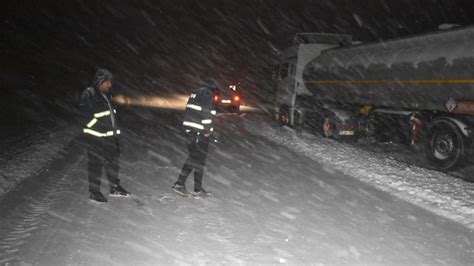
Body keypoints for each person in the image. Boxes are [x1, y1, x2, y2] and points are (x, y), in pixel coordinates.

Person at [79, 68, 130, 203]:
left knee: (113, 163)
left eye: (110, 82)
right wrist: (99, 126)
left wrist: (114, 133)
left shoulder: (106, 95)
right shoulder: (89, 94)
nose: (110, 85)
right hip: (95, 137)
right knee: (95, 165)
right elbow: (85, 117)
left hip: (110, 137)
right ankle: (94, 192)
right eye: (107, 82)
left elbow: (111, 116)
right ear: (99, 81)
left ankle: (114, 188)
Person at [172, 78, 218, 198]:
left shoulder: (196, 93)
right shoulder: (206, 94)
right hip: (199, 132)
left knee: (199, 160)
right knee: (195, 158)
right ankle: (179, 184)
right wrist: (207, 130)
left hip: (192, 131)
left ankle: (198, 189)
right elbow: (207, 113)